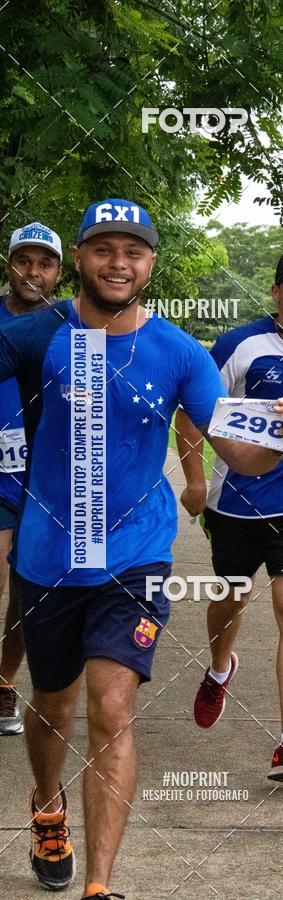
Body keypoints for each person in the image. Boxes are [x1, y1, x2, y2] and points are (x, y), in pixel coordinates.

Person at [0, 199, 283, 900]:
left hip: (136, 556)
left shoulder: (178, 352)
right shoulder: (40, 335)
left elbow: (236, 449)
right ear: (80, 258)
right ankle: (47, 806)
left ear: (150, 263)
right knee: (52, 705)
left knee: (113, 708)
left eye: (133, 251)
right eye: (104, 249)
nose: (118, 263)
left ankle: (100, 887)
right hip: (49, 556)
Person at [177, 245, 283, 782]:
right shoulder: (240, 345)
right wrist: (195, 480)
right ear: (276, 291)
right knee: (230, 599)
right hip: (236, 502)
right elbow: (192, 413)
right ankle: (220, 667)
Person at [0, 222, 62, 736]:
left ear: (60, 272)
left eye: (44, 263)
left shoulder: (71, 327)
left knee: (26, 591)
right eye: (24, 261)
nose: (32, 272)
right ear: (10, 265)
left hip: (45, 479)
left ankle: (3, 682)